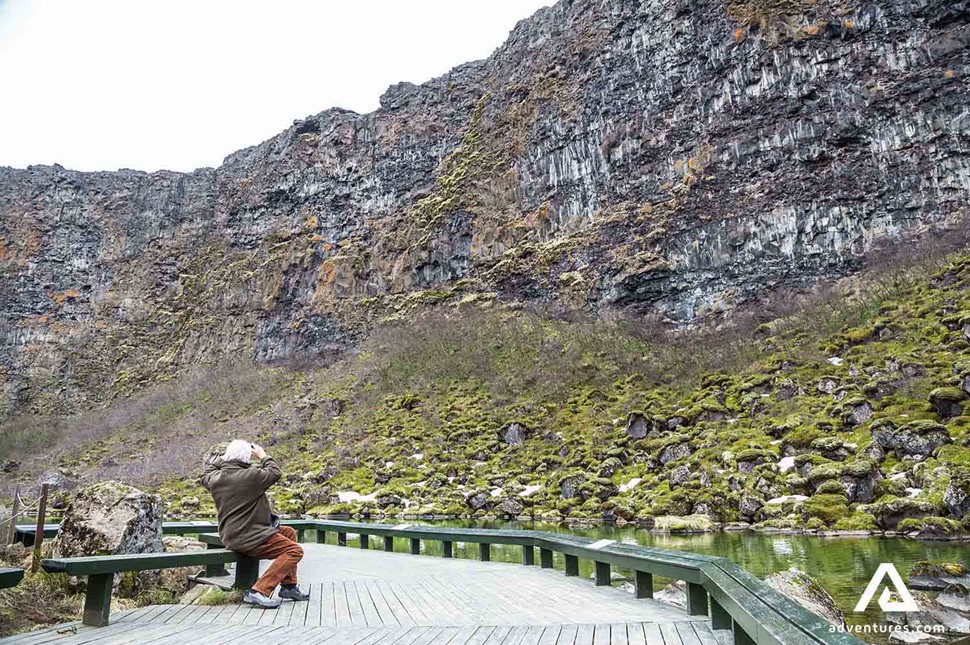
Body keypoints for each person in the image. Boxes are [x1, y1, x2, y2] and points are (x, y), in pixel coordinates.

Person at [200, 439, 310, 608]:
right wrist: (262, 455)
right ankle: (259, 591)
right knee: (295, 551)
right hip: (250, 536)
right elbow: (275, 472)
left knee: (289, 533)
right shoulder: (251, 476)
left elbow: (206, 472)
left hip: (232, 535)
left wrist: (225, 457)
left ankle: (289, 586)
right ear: (247, 457)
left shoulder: (215, 478)